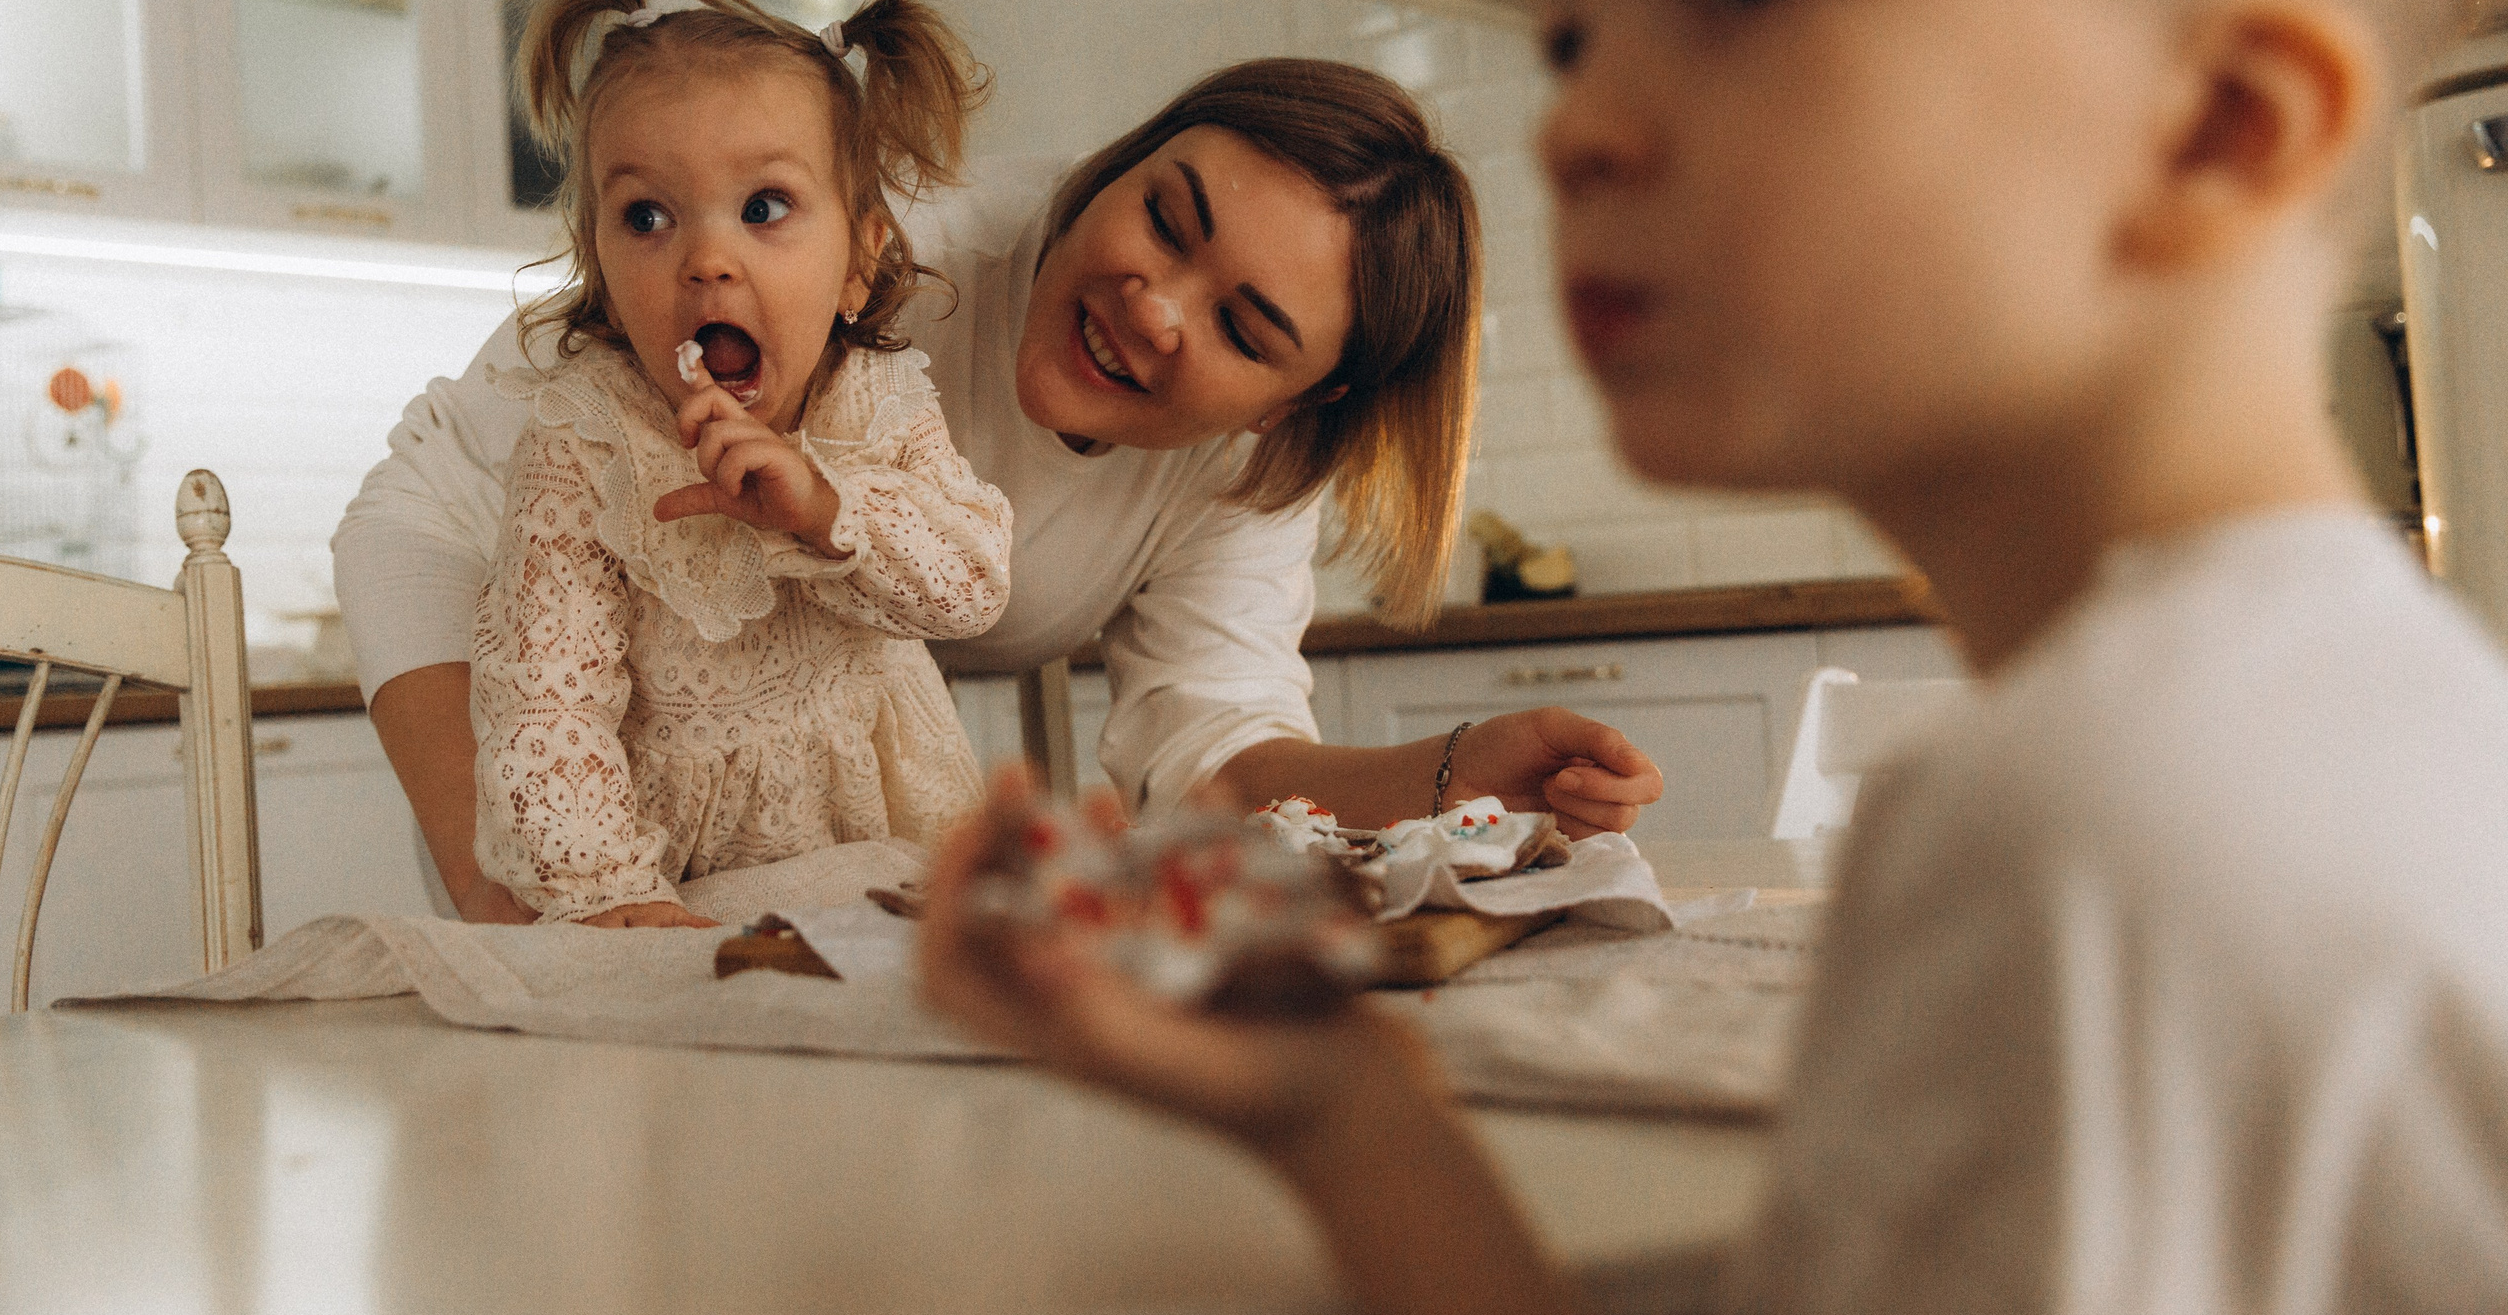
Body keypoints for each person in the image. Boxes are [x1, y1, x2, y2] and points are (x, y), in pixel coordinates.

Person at [920, 0, 2508, 1315]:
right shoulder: (2354, 733)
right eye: (1583, 27)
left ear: (2218, 124)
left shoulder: (2097, 841)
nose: (1579, 127)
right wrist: (1346, 1113)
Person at [340, 63, 1667, 927]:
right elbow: (431, 508)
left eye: (1244, 326)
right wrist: (548, 896)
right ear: (1123, 152)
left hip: (809, 843)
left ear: (1290, 404)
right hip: (553, 753)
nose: (1149, 307)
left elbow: (1211, 758)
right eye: (1167, 216)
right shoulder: (868, 251)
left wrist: (1449, 773)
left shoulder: (1248, 467)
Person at [466, 0, 1010, 926]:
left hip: (889, 871)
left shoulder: (876, 405)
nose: (707, 259)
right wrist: (608, 896)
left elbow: (971, 585)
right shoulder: (587, 446)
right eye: (646, 217)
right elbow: (545, 702)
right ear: (598, 262)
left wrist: (824, 507)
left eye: (764, 207)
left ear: (859, 259)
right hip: (680, 892)